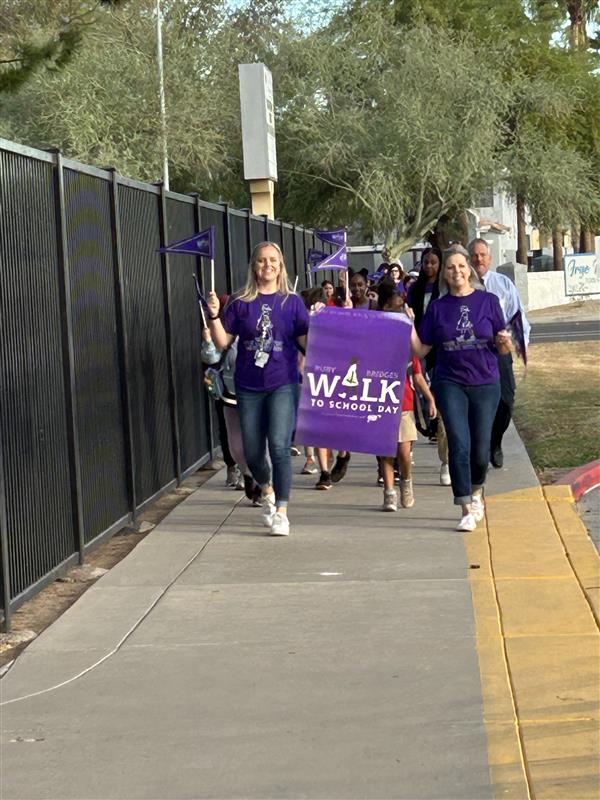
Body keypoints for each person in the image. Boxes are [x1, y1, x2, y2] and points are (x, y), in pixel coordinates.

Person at [206, 242, 309, 537]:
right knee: (252, 452)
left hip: (283, 382)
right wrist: (214, 315)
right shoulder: (241, 302)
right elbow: (223, 342)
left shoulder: (292, 302)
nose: (268, 265)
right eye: (262, 260)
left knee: (278, 446)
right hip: (248, 386)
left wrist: (322, 323)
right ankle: (267, 489)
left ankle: (282, 512)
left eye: (273, 260)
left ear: (281, 265)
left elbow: (308, 342)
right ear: (254, 266)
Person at [408, 244, 511, 532]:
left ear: (469, 270)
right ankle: (465, 506)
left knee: (480, 450)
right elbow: (421, 348)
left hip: (485, 382)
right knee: (459, 443)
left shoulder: (488, 302)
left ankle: (476, 489)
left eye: (461, 266)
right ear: (444, 274)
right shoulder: (438, 308)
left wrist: (505, 344)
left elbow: (501, 345)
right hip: (449, 382)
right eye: (450, 267)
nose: (456, 272)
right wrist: (408, 326)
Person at [468, 238, 530, 469]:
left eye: (483, 255)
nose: (479, 259)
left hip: (500, 351)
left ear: (490, 258)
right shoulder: (463, 286)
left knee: (506, 400)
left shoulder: (503, 284)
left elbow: (518, 317)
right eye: (474, 255)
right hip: (473, 354)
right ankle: (481, 446)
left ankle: (495, 442)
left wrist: (518, 345)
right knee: (478, 404)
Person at [377, 284, 437, 512]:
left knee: (403, 451)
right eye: (396, 307)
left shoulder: (406, 338)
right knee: (385, 449)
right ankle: (389, 491)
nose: (401, 311)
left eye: (402, 307)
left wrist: (430, 398)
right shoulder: (373, 334)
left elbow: (417, 373)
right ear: (384, 307)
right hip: (379, 400)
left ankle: (406, 481)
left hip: (404, 401)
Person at [406, 246, 451, 485]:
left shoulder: (445, 290)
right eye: (426, 263)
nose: (430, 267)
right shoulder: (414, 290)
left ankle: (446, 462)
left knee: (443, 407)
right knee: (419, 399)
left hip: (441, 352)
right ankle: (420, 433)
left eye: (434, 262)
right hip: (418, 347)